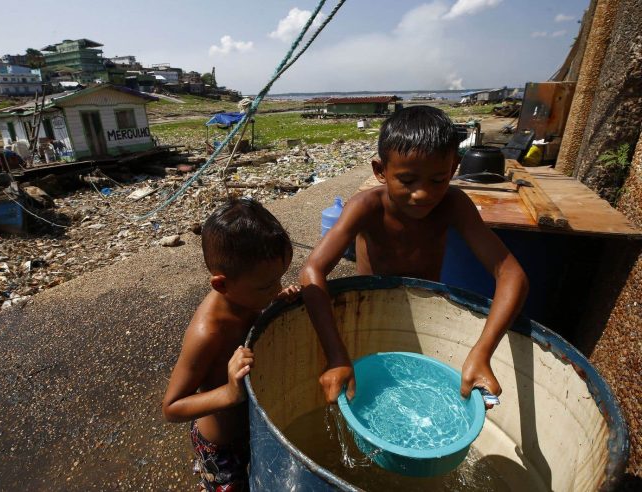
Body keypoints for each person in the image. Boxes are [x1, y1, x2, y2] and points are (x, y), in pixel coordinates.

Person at [300, 105, 529, 407]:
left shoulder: (454, 205)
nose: (422, 194)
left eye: (437, 180)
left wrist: (481, 352)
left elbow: (511, 274)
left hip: (426, 313)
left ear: (454, 168)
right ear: (380, 171)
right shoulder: (366, 207)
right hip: (371, 311)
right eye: (407, 181)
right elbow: (312, 270)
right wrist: (336, 355)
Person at [162, 198, 299, 492]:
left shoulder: (245, 296)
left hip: (251, 427)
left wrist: (276, 296)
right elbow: (171, 407)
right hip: (220, 446)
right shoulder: (208, 333)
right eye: (266, 286)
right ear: (221, 285)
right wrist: (229, 392)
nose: (276, 288)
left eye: (279, 279)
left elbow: (261, 295)